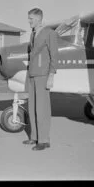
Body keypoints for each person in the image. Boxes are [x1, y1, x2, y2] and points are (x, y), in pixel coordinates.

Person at [23, 8, 58, 151]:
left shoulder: (49, 33)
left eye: (31, 18)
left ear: (38, 19)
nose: (29, 21)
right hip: (32, 74)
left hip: (43, 75)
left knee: (42, 108)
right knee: (32, 108)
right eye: (28, 18)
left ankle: (44, 140)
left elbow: (54, 56)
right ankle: (35, 137)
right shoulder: (32, 34)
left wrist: (51, 75)